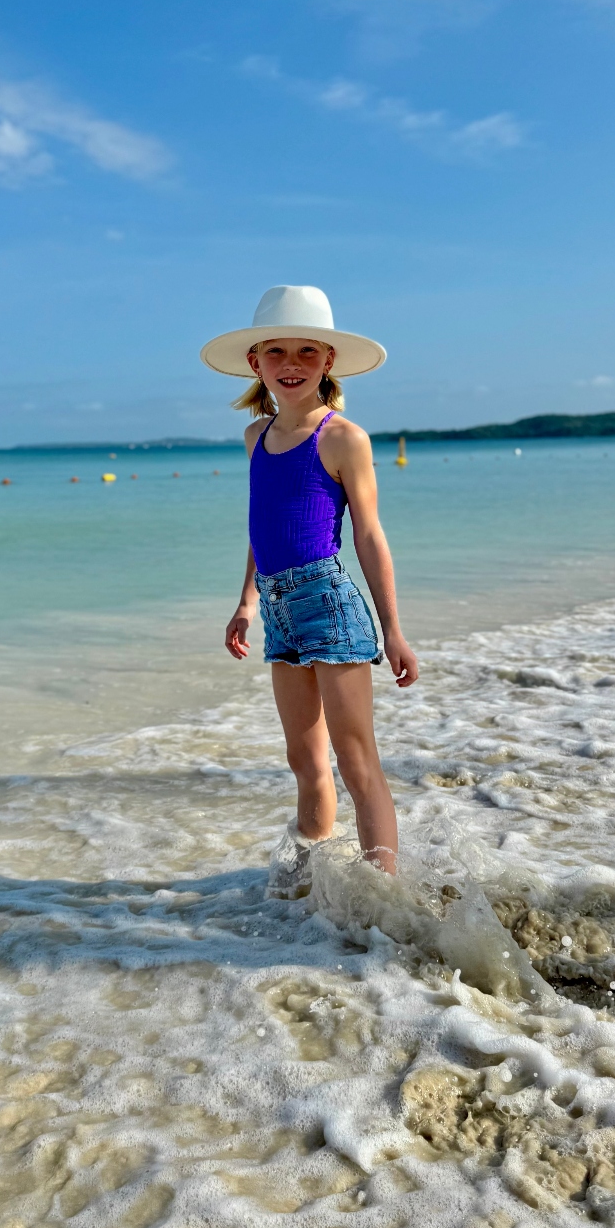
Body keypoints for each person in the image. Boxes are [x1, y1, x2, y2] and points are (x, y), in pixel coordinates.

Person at [200, 285, 419, 894]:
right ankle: (304, 888)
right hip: (277, 610)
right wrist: (246, 602)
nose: (289, 363)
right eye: (276, 352)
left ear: (327, 361)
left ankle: (385, 898)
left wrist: (394, 630)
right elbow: (260, 526)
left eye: (304, 351)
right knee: (304, 760)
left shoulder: (343, 438)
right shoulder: (256, 439)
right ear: (256, 363)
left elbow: (370, 537)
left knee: (356, 760)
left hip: (329, 603)